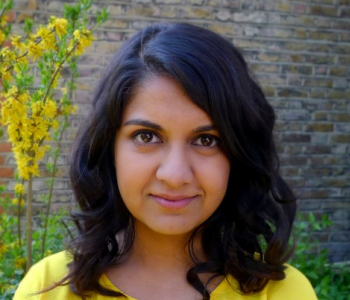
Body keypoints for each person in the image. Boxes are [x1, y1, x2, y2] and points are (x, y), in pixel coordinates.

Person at [14, 23, 317, 300]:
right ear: (110, 148)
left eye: (206, 140)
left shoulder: (283, 292)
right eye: (146, 136)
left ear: (238, 155)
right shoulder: (47, 288)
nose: (174, 175)